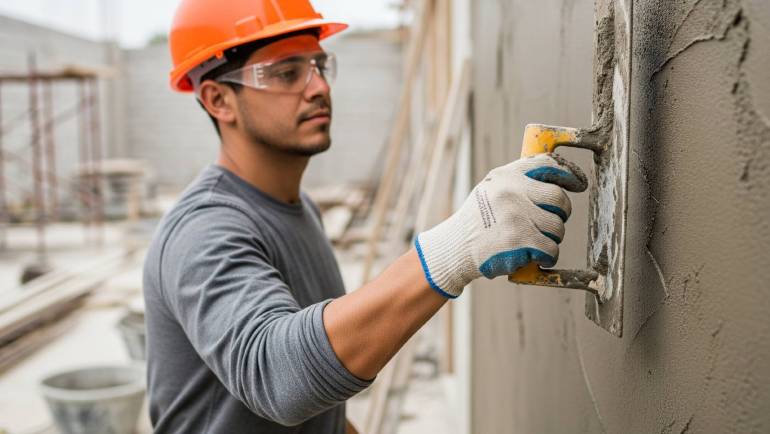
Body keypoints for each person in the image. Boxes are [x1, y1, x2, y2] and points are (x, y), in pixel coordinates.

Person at [142, 0, 588, 432]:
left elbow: (316, 413)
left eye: (318, 66)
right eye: (286, 73)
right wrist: (456, 246)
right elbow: (278, 376)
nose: (318, 87)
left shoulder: (297, 209)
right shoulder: (203, 229)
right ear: (218, 100)